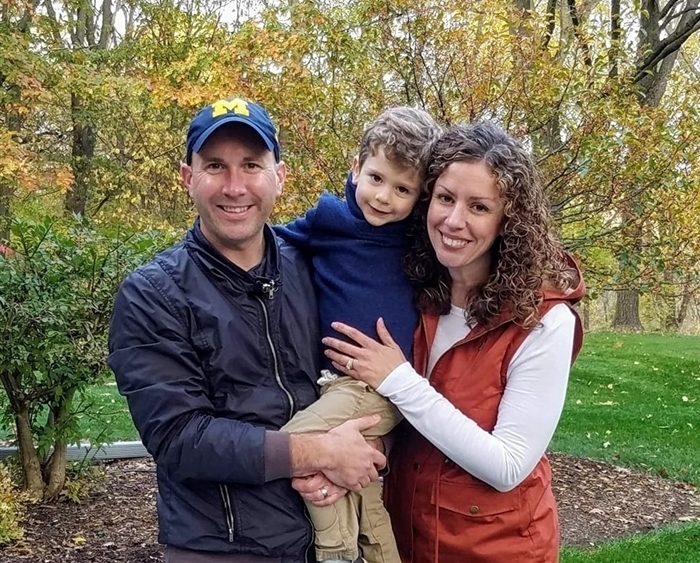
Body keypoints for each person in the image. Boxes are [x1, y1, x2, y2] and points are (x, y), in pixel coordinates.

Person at [107, 96, 386, 563]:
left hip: (329, 532)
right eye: (215, 165)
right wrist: (319, 453)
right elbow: (180, 438)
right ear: (187, 177)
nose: (235, 186)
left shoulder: (314, 267)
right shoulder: (152, 294)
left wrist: (371, 445)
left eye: (252, 165)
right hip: (222, 547)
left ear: (279, 176)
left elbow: (366, 375)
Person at [321, 122, 586, 563]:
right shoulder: (419, 294)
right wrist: (350, 452)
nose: (454, 220)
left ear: (508, 222)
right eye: (445, 198)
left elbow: (507, 467)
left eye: (479, 207)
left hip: (496, 548)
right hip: (409, 536)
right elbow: (410, 426)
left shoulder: (544, 321)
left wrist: (399, 380)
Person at [274, 107, 442, 563]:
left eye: (403, 189)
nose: (385, 197)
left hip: (384, 385)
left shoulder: (418, 237)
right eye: (376, 178)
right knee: (363, 484)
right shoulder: (327, 220)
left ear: (420, 196)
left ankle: (335, 552)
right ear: (356, 168)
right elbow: (273, 239)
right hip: (339, 382)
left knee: (297, 444)